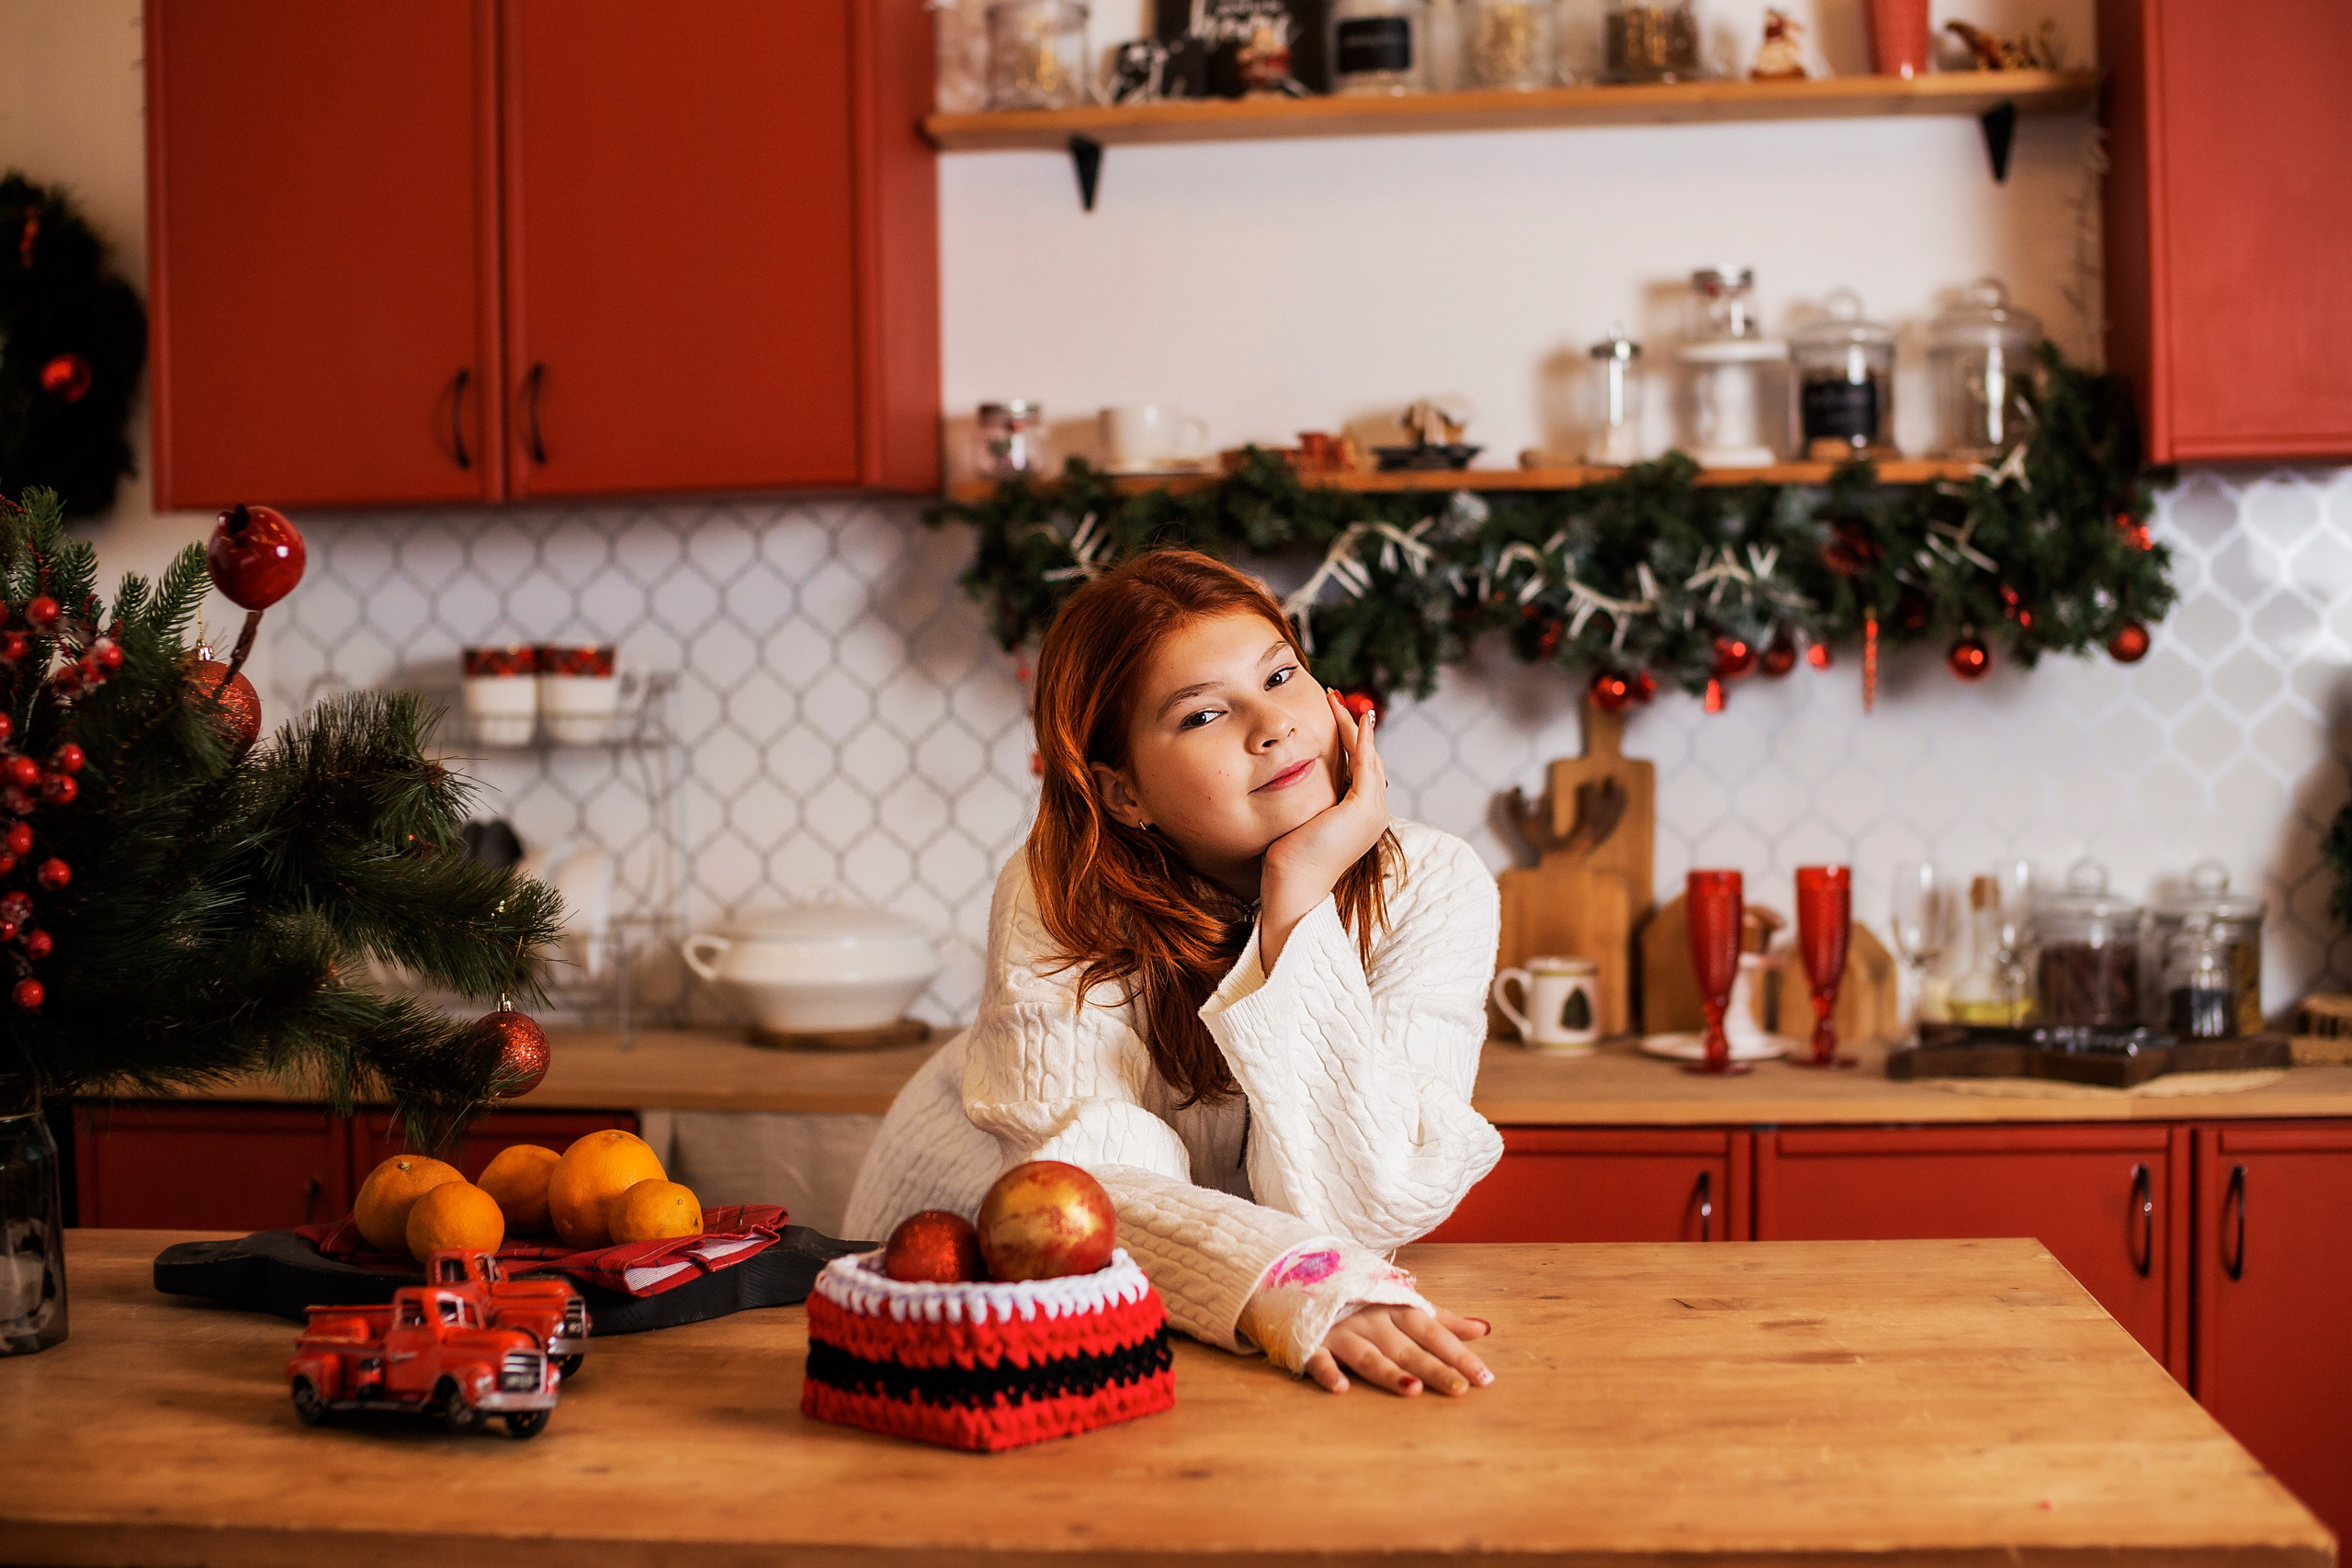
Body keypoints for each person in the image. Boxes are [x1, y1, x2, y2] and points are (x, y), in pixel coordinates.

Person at [843, 549, 1504, 1397]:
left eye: (1281, 674)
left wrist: (1295, 898)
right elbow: (1082, 1195)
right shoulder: (1060, 894)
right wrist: (1298, 1282)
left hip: (1233, 1296)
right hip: (983, 1274)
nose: (1273, 725)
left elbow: (1366, 1208)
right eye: (1201, 716)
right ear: (1123, 794)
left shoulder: (1434, 883)